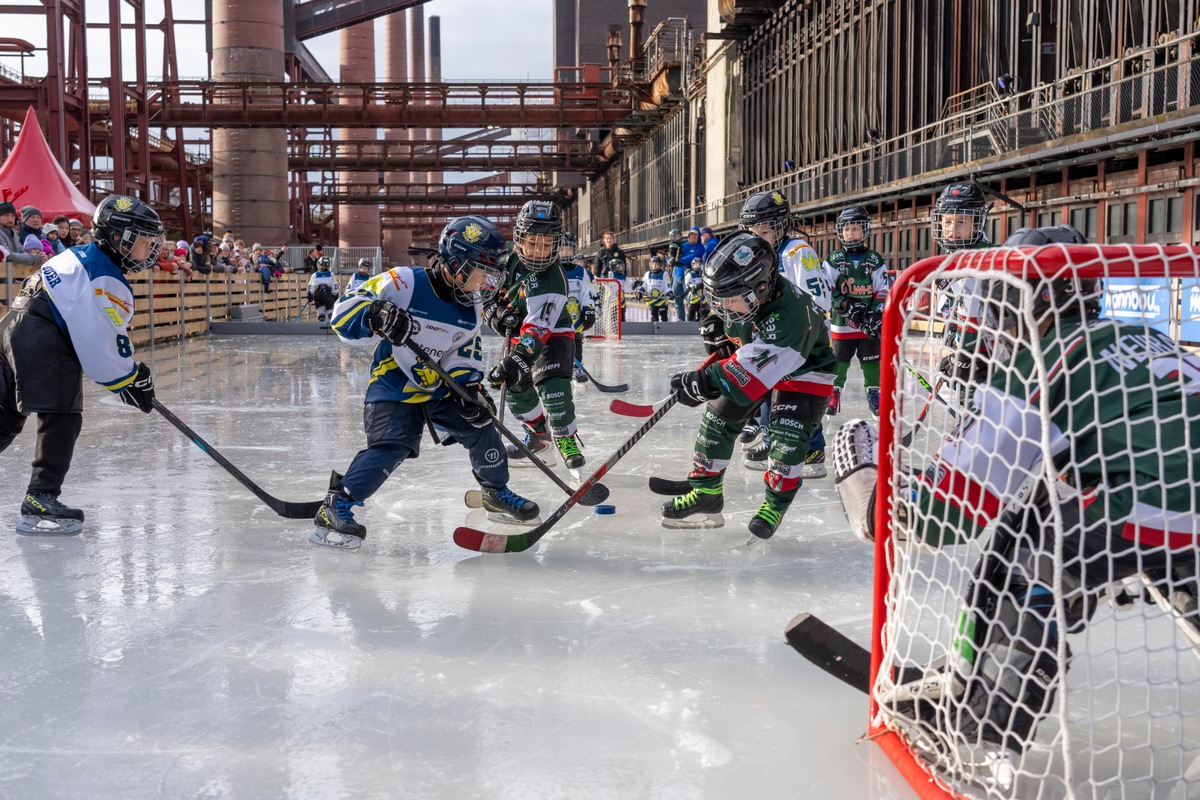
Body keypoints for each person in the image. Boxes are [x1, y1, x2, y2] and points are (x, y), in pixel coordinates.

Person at [834, 224, 1200, 791]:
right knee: (1048, 506)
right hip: (1174, 496)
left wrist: (866, 492)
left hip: (1166, 505)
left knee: (1031, 551)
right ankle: (970, 677)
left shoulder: (1046, 357)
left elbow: (952, 509)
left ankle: (983, 737)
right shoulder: (1135, 335)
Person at [315, 215, 538, 549]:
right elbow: (344, 312)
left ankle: (494, 492)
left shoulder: (472, 306)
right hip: (394, 385)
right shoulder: (404, 282)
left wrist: (470, 389)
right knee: (393, 446)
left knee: (482, 426)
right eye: (480, 270)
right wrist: (375, 315)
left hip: (440, 388)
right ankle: (337, 504)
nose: (484, 282)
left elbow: (462, 355)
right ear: (455, 261)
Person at [0, 194, 163, 534]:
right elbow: (100, 339)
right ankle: (41, 496)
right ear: (119, 238)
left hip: (14, 327)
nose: (149, 250)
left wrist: (126, 376)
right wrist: (130, 377)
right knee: (63, 414)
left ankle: (40, 495)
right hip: (44, 337)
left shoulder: (80, 254)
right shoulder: (105, 276)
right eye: (143, 241)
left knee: (7, 415)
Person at [657, 232, 837, 539]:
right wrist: (722, 331)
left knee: (786, 440)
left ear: (762, 288)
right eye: (717, 299)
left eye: (728, 300)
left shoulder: (790, 315)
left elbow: (747, 375)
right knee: (717, 419)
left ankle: (774, 504)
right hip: (764, 363)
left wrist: (703, 381)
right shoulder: (749, 297)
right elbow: (744, 340)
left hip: (806, 374)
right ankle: (707, 494)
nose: (722, 306)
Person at [736, 190, 835, 479]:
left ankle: (812, 451)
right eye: (752, 230)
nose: (758, 236)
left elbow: (819, 300)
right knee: (771, 392)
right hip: (776, 337)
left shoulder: (796, 251)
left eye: (764, 230)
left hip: (803, 337)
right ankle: (772, 441)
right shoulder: (758, 255)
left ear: (781, 226)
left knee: (799, 396)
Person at [484, 200, 587, 469]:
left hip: (554, 332)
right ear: (519, 239)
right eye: (533, 242)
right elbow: (484, 292)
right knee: (516, 388)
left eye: (547, 244)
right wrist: (493, 311)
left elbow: (537, 330)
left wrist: (518, 358)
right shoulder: (503, 258)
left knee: (553, 384)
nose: (539, 251)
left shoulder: (553, 279)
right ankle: (539, 436)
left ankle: (566, 438)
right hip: (519, 331)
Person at [826, 205, 892, 418]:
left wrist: (876, 313)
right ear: (840, 232)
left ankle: (874, 392)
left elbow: (882, 290)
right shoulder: (835, 259)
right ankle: (833, 392)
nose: (851, 233)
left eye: (856, 229)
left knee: (872, 359)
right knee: (839, 359)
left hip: (868, 324)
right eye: (847, 229)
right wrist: (843, 304)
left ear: (865, 231)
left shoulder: (874, 259)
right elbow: (826, 288)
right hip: (842, 323)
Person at [559, 234, 596, 383]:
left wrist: (589, 310)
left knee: (577, 343)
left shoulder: (581, 272)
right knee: (559, 343)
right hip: (559, 317)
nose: (565, 253)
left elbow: (587, 293)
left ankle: (577, 367)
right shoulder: (555, 270)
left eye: (568, 250)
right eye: (562, 250)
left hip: (576, 316)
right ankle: (560, 368)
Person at [636, 254, 671, 323]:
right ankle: (655, 332)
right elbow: (644, 284)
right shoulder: (647, 274)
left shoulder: (664, 274)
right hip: (652, 300)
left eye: (656, 264)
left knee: (663, 315)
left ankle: (665, 331)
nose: (654, 266)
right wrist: (640, 292)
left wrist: (669, 292)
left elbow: (667, 285)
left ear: (660, 265)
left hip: (661, 300)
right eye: (653, 264)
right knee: (654, 316)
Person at [307, 257, 338, 323]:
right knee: (330, 308)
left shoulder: (315, 275)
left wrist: (310, 294)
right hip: (327, 293)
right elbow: (334, 285)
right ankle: (331, 319)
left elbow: (311, 285)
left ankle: (321, 318)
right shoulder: (331, 274)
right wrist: (335, 294)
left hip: (318, 293)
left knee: (320, 307)